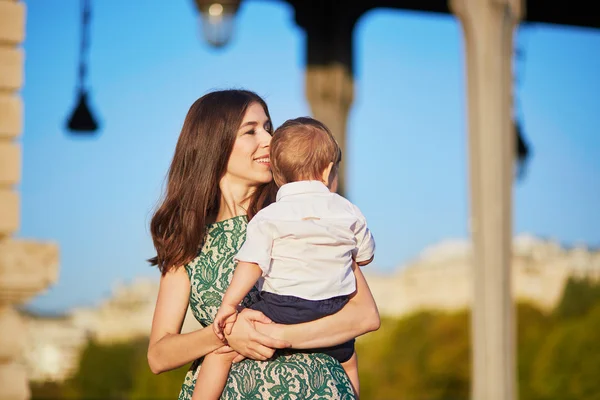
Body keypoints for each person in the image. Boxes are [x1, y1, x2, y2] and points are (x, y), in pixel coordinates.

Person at [147, 90, 380, 400]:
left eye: (268, 128)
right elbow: (159, 355)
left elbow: (364, 315)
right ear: (214, 143)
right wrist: (227, 334)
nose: (269, 140)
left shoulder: (299, 214)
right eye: (251, 130)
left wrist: (278, 336)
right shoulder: (188, 240)